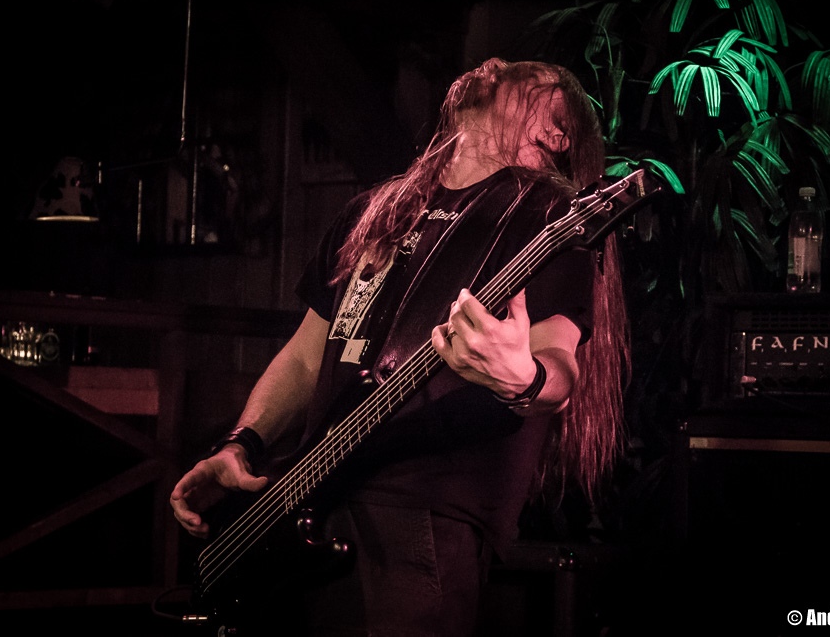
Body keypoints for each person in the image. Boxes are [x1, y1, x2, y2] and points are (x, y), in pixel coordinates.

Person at [170, 58, 628, 635]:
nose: (493, 64)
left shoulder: (550, 214)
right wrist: (242, 441)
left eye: (525, 74)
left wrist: (524, 376)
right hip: (305, 499)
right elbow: (308, 356)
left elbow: (559, 364)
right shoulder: (377, 210)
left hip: (417, 517)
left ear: (555, 134)